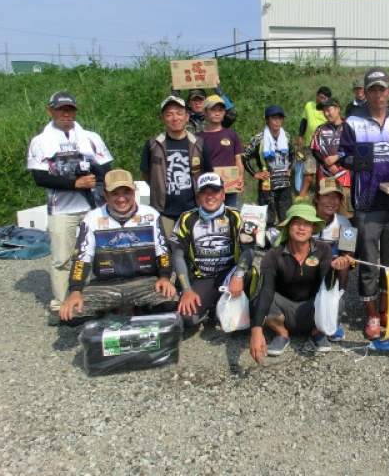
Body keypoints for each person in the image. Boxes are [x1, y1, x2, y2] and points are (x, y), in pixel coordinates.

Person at [28, 91, 114, 324]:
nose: (66, 114)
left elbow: (106, 169)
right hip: (61, 209)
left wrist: (106, 193)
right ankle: (60, 305)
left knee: (100, 253)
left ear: (75, 111)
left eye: (70, 109)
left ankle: (97, 299)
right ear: (50, 111)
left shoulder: (90, 137)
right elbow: (40, 177)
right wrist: (74, 183)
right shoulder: (41, 140)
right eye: (60, 109)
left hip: (93, 206)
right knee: (62, 258)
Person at [337, 67, 389, 339]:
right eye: (373, 89)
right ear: (365, 93)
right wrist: (361, 162)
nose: (378, 94)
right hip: (366, 203)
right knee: (368, 263)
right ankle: (370, 316)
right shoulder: (354, 122)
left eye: (382, 89)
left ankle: (386, 310)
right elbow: (343, 156)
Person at [58, 170, 175, 323]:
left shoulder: (151, 215)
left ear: (134, 192)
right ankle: (108, 310)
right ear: (105, 195)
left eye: (126, 192)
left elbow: (163, 252)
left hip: (145, 282)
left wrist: (165, 278)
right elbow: (81, 258)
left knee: (171, 304)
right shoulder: (92, 218)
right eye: (115, 193)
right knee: (71, 316)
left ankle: (141, 309)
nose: (121, 199)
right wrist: (75, 291)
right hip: (104, 285)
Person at [248, 204, 352, 362]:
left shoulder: (323, 249)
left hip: (312, 309)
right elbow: (267, 289)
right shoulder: (273, 255)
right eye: (297, 222)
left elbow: (328, 287)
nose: (302, 228)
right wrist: (256, 330)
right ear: (288, 226)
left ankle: (317, 332)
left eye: (308, 223)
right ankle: (282, 333)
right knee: (257, 302)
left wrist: (338, 270)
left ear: (313, 228)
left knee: (337, 299)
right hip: (285, 309)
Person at [172, 173, 253, 329]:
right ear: (198, 196)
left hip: (229, 276)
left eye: (214, 191)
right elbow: (178, 256)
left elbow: (249, 250)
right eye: (204, 192)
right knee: (186, 319)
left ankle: (223, 308)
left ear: (223, 194)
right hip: (202, 278)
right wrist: (187, 289)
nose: (210, 197)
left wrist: (239, 274)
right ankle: (210, 307)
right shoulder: (186, 219)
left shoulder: (237, 216)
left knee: (251, 274)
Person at [140, 95, 213, 238]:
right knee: (165, 254)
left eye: (179, 113)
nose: (175, 118)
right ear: (162, 118)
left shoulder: (198, 144)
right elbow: (146, 175)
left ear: (187, 117)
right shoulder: (152, 144)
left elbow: (207, 174)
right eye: (169, 114)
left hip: (193, 210)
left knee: (193, 250)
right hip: (163, 212)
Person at [312, 178, 353, 342]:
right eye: (326, 196)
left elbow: (348, 251)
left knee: (344, 262)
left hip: (332, 269)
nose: (331, 201)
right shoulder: (306, 219)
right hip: (307, 266)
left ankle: (336, 308)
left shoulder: (345, 223)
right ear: (316, 198)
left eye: (336, 197)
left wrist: (344, 260)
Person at [243, 105, 297, 228]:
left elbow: (293, 155)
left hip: (284, 184)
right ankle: (267, 245)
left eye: (280, 118)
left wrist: (290, 168)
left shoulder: (287, 137)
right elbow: (244, 156)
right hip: (267, 185)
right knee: (268, 219)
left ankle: (285, 245)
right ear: (267, 119)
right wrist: (255, 174)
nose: (277, 121)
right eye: (274, 118)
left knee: (286, 218)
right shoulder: (259, 138)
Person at [198, 94, 245, 208]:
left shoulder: (232, 135)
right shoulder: (197, 138)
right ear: (205, 112)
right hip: (208, 190)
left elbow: (238, 160)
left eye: (220, 110)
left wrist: (240, 179)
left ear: (224, 113)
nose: (217, 113)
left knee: (232, 219)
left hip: (229, 189)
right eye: (213, 109)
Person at [311, 97, 352, 218]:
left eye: (329, 110)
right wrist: (327, 163)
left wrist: (337, 158)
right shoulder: (320, 129)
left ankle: (347, 236)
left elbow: (355, 149)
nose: (327, 114)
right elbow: (314, 150)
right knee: (325, 210)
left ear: (338, 109)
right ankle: (322, 235)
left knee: (347, 212)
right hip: (325, 175)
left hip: (345, 176)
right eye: (324, 111)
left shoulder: (350, 128)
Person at [297, 86, 331, 197]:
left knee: (323, 170)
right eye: (320, 97)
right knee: (309, 171)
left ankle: (320, 192)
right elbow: (304, 121)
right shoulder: (309, 106)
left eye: (324, 98)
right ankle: (302, 194)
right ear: (317, 96)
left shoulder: (328, 110)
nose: (321, 100)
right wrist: (300, 136)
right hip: (310, 146)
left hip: (324, 147)